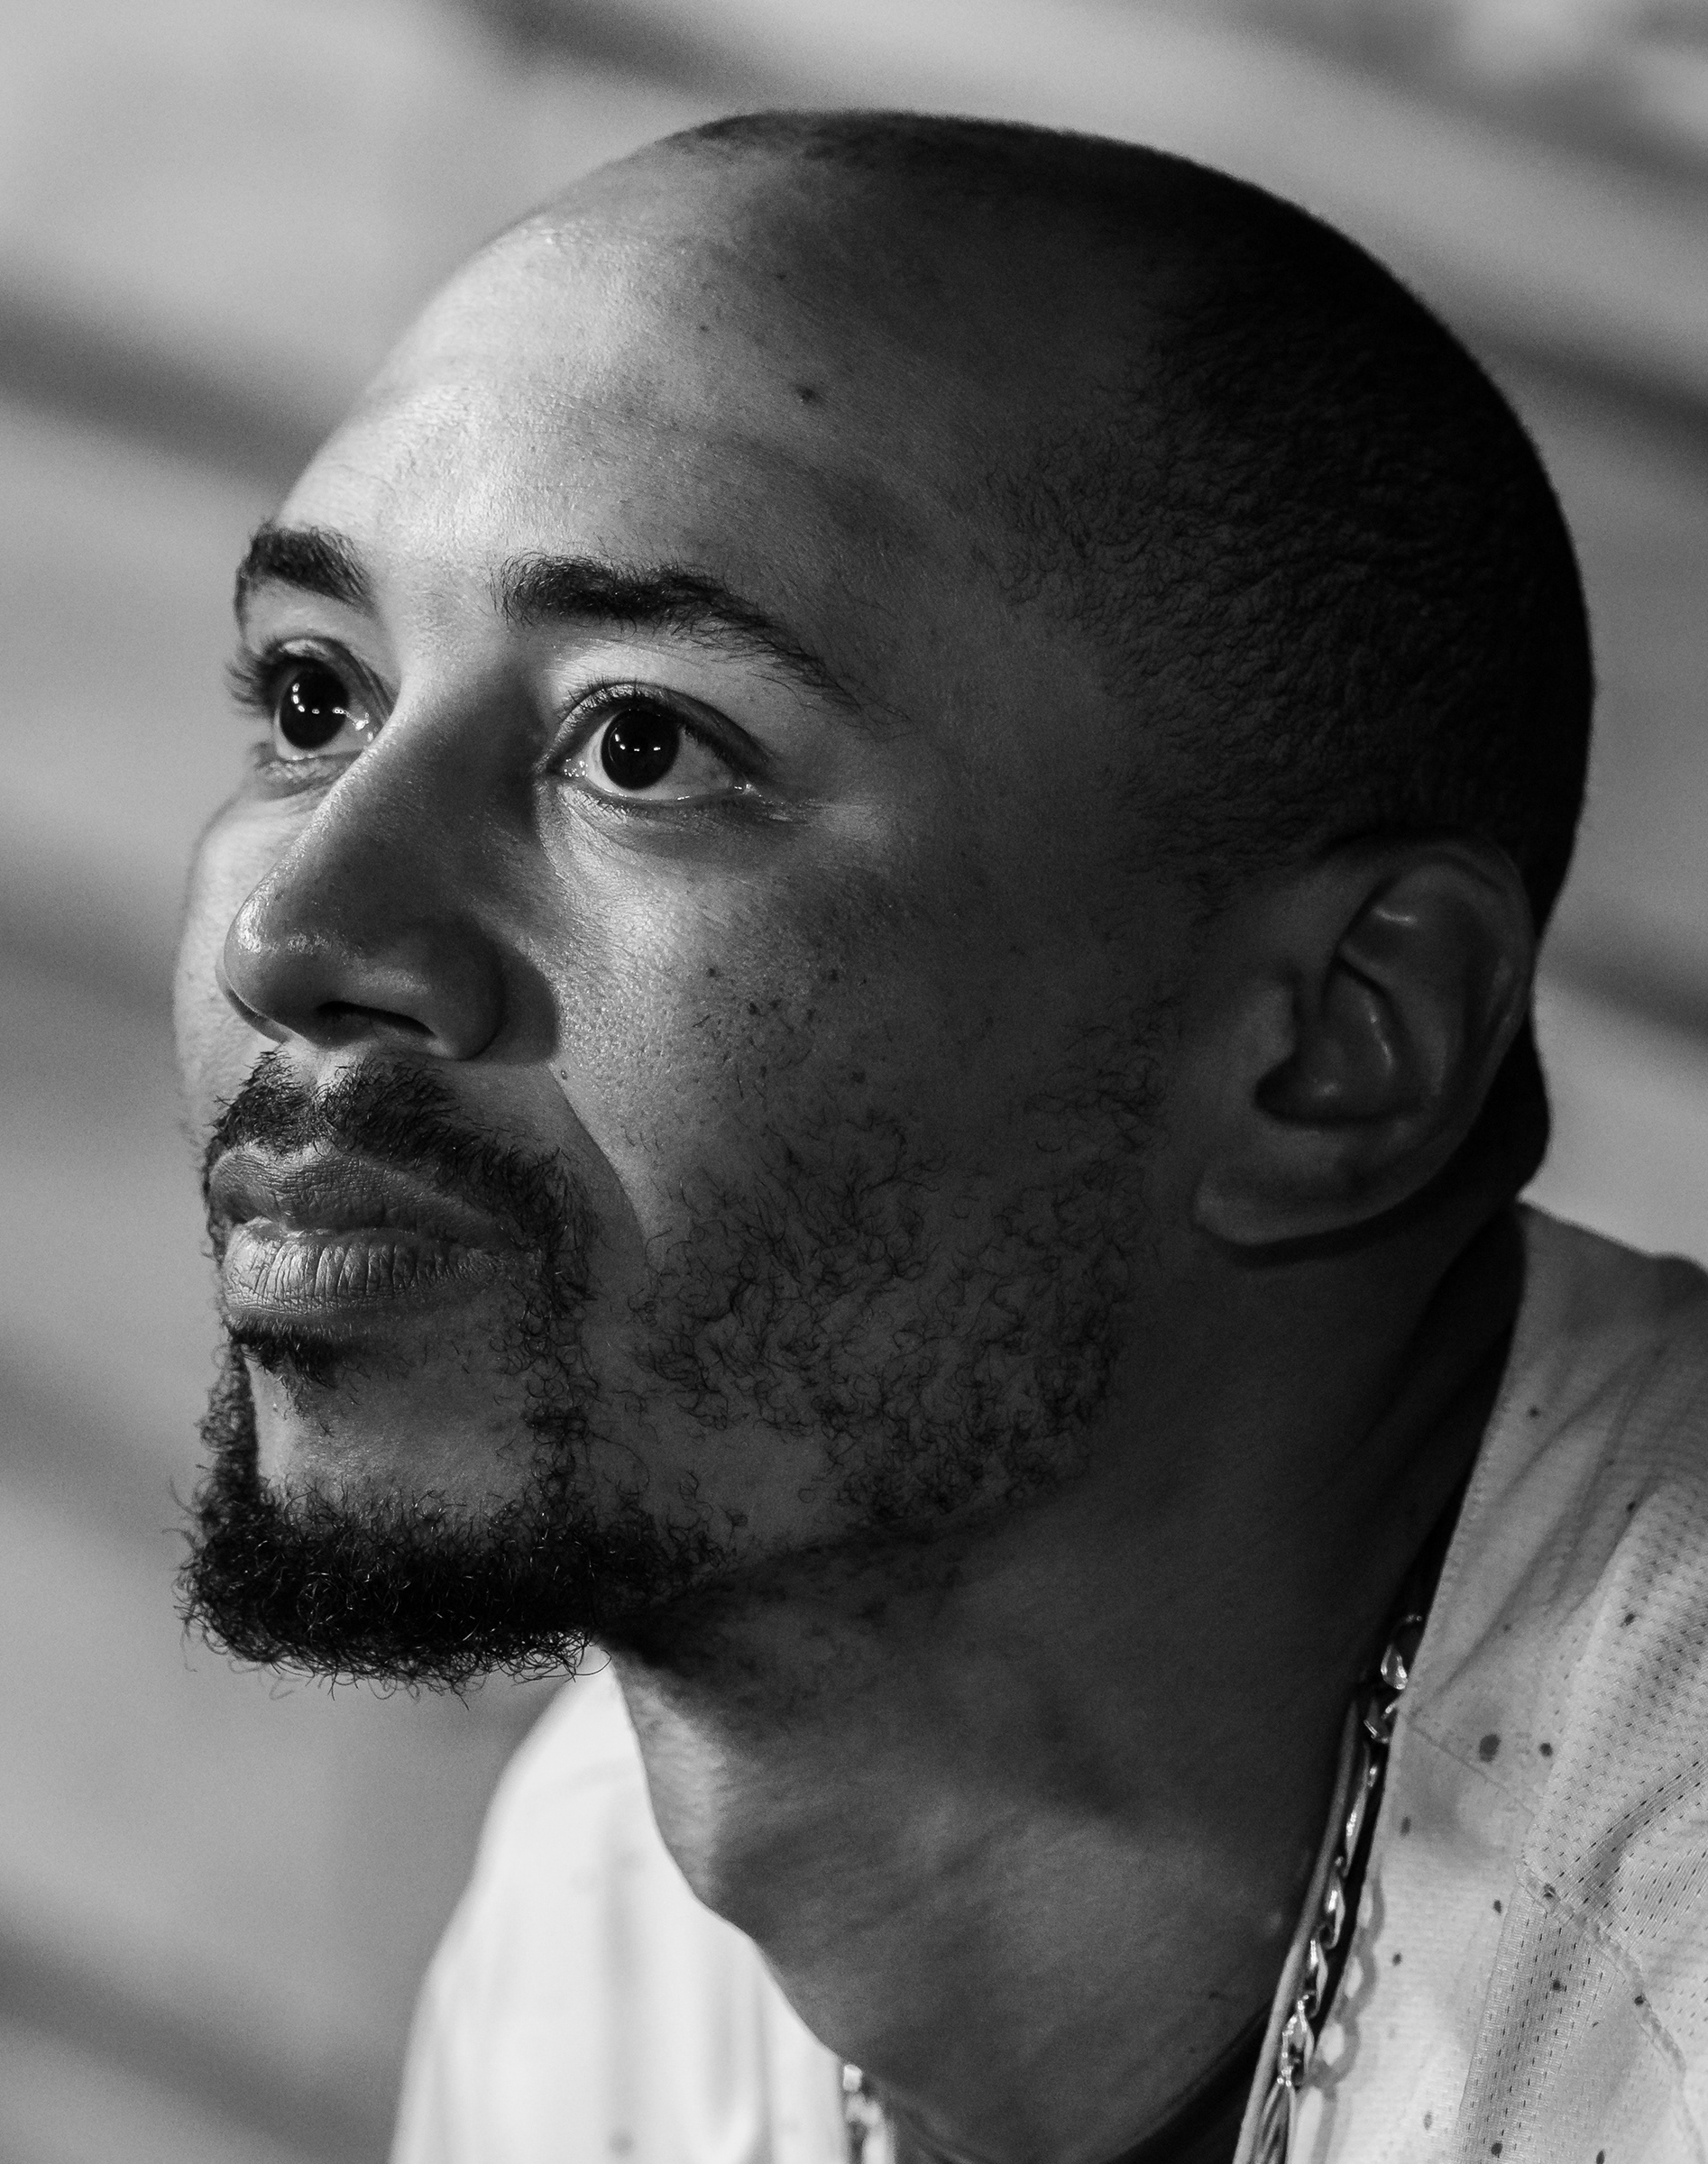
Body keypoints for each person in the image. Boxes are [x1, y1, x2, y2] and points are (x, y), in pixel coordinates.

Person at [172, 111, 1708, 2164]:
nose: (301, 933)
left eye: (645, 742)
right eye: (309, 698)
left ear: (1338, 1045)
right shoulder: (603, 1932)